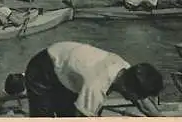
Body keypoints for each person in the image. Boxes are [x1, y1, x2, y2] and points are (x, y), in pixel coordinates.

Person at [20, 41, 164, 117]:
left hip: (68, 65)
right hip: (42, 69)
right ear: (127, 88)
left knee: (68, 115)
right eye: (138, 95)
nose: (139, 98)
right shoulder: (96, 86)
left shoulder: (125, 69)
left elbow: (143, 102)